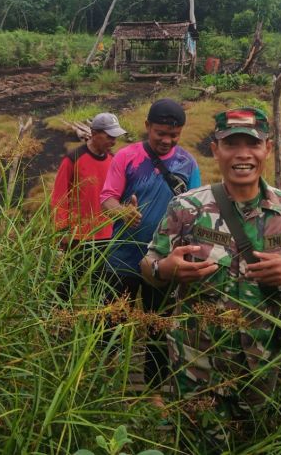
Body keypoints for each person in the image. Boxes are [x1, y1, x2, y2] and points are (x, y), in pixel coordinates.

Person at [140, 107, 281, 440]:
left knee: (257, 443)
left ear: (266, 148)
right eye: (231, 144)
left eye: (253, 144)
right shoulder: (187, 208)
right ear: (215, 149)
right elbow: (149, 268)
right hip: (196, 368)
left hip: (264, 369)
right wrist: (167, 268)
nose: (242, 155)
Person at [100, 98, 201, 400]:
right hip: (122, 258)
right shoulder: (126, 158)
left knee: (158, 325)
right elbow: (107, 199)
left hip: (163, 262)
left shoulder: (188, 163)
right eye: (160, 133)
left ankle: (154, 392)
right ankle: (106, 375)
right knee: (113, 319)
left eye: (174, 135)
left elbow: (197, 207)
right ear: (146, 127)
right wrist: (122, 213)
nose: (166, 140)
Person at [50, 112, 126, 302]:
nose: (113, 141)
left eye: (115, 137)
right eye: (109, 136)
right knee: (68, 285)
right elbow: (59, 198)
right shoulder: (73, 158)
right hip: (79, 236)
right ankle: (54, 320)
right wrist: (62, 231)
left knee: (102, 288)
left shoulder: (113, 160)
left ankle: (98, 325)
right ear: (93, 132)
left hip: (107, 235)